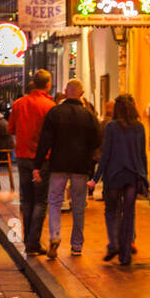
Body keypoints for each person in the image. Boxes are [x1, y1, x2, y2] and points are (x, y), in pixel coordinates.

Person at [34, 77, 101, 258]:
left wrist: (37, 165)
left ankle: (55, 236)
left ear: (65, 91)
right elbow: (97, 141)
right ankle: (77, 245)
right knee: (78, 205)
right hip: (80, 166)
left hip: (59, 164)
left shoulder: (55, 112)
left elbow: (45, 140)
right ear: (81, 93)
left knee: (55, 201)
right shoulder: (89, 116)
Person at [93, 92, 147, 267]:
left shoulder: (111, 127)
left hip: (114, 176)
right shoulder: (139, 127)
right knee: (129, 214)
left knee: (111, 211)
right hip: (132, 176)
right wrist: (145, 177)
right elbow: (141, 155)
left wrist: (96, 177)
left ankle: (114, 243)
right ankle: (125, 255)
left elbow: (106, 154)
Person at [8, 69, 54, 255]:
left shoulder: (19, 104)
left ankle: (28, 240)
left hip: (23, 156)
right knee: (40, 201)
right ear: (48, 84)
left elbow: (10, 128)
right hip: (42, 159)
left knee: (26, 199)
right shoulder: (49, 106)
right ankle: (33, 242)